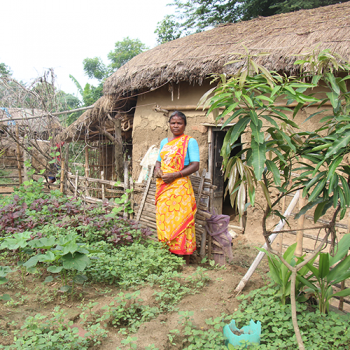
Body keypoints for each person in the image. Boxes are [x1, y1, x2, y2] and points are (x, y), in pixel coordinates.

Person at [154, 111, 200, 265]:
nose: (176, 126)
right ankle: (167, 256)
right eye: (173, 123)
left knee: (182, 221)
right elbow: (158, 161)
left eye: (179, 123)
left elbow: (195, 165)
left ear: (184, 125)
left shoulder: (190, 142)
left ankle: (185, 259)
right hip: (164, 187)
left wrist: (175, 175)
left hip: (180, 187)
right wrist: (158, 170)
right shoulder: (164, 142)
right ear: (169, 124)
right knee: (165, 219)